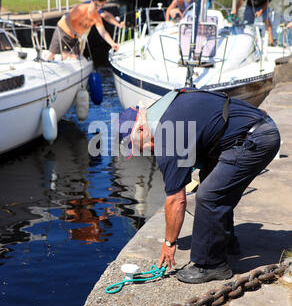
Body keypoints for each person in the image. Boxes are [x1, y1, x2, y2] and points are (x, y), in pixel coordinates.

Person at [118, 89, 280, 284]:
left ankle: (211, 265)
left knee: (209, 196)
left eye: (139, 146)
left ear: (141, 129)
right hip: (256, 129)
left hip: (255, 139)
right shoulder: (166, 110)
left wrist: (169, 243)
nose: (147, 150)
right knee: (211, 179)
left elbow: (176, 199)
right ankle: (227, 243)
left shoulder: (168, 134)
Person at [46, 0, 119, 61]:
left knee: (76, 57)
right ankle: (50, 59)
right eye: (95, 4)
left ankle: (63, 57)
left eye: (99, 6)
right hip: (63, 31)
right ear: (91, 2)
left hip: (74, 36)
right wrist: (73, 31)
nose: (96, 7)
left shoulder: (96, 17)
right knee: (51, 53)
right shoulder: (81, 8)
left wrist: (112, 43)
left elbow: (103, 32)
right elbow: (66, 18)